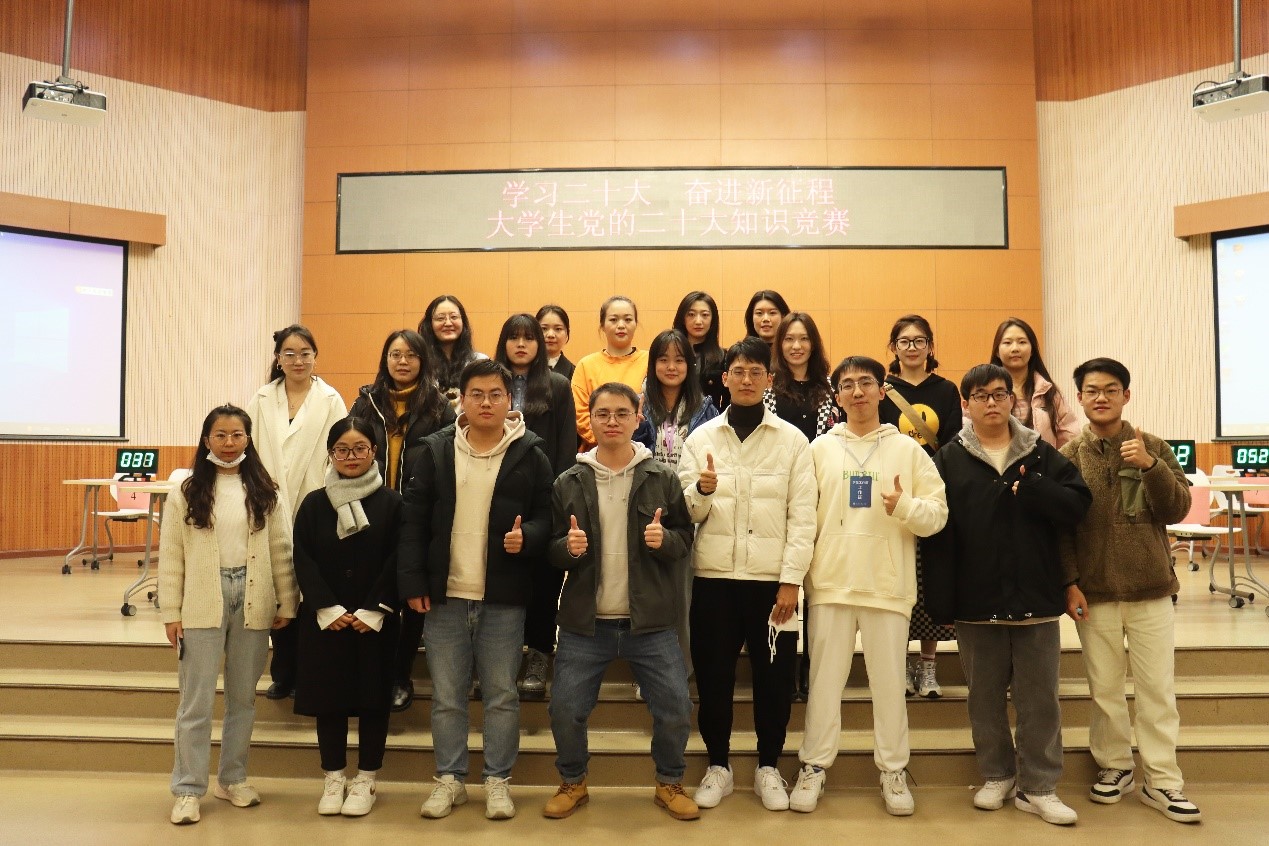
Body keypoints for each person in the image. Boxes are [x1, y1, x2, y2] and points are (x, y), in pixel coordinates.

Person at [922, 364, 1091, 826]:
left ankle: (1039, 786)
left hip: (1036, 597)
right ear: (966, 404)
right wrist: (942, 603)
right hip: (976, 601)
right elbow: (938, 536)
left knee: (1040, 700)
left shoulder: (1040, 453)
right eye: (981, 396)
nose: (992, 403)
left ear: (1013, 401)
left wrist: (1036, 489)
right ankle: (997, 775)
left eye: (1000, 394)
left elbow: (1078, 505)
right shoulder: (948, 459)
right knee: (984, 698)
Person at [789, 356, 947, 817]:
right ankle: (814, 766)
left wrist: (905, 507)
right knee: (823, 685)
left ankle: (893, 771)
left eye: (866, 383)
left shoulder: (909, 451)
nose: (857, 392)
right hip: (830, 585)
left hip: (887, 587)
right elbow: (801, 517)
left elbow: (937, 515)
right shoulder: (818, 449)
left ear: (882, 390)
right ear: (837, 396)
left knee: (890, 686)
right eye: (847, 385)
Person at [398, 359, 554, 821]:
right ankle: (450, 779)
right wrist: (413, 582)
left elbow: (547, 516)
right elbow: (413, 523)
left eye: (496, 395)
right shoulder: (435, 451)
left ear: (510, 400)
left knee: (502, 694)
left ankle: (497, 781)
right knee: (447, 695)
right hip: (445, 594)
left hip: (503, 596)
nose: (486, 403)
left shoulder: (531, 453)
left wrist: (528, 537)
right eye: (477, 395)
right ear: (461, 400)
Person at [542, 383, 698, 822]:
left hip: (650, 622)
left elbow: (685, 539)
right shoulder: (568, 481)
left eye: (621, 413)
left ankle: (669, 782)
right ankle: (573, 782)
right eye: (603, 414)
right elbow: (551, 548)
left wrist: (665, 540)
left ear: (637, 418)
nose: (612, 421)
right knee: (565, 709)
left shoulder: (661, 478)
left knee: (675, 707)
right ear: (589, 420)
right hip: (585, 623)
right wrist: (567, 548)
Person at [677, 336, 816, 813]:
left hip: (772, 584)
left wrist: (791, 580)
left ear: (769, 380)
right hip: (713, 580)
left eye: (757, 372)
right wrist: (701, 490)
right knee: (714, 678)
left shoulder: (793, 442)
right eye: (738, 371)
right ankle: (718, 765)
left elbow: (803, 518)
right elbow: (687, 514)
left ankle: (768, 767)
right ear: (725, 378)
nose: (747, 379)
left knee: (774, 680)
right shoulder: (701, 440)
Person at [1060, 358, 1201, 823]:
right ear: (1079, 398)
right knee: (1104, 689)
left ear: (1126, 395)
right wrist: (1070, 583)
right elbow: (1060, 530)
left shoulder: (1152, 446)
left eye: (1111, 389)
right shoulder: (1068, 456)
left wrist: (1150, 466)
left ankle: (1162, 779)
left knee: (1157, 689)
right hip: (1095, 592)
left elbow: (1178, 508)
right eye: (1092, 390)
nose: (1101, 397)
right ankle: (1115, 765)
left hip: (1151, 589)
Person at [160, 405, 299, 825]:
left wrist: (287, 601)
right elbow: (172, 554)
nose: (228, 442)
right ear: (206, 440)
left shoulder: (265, 489)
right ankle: (188, 789)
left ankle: (232, 778)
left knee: (243, 699)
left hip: (253, 597)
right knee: (196, 702)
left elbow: (281, 549)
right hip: (203, 599)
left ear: (247, 439)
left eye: (237, 435)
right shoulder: (185, 491)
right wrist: (171, 611)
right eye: (220, 435)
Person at [292, 417, 402, 818]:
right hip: (327, 621)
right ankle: (334, 776)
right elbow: (302, 558)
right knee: (330, 702)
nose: (350, 457)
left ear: (374, 452)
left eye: (359, 449)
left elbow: (399, 558)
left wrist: (375, 609)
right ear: (331, 454)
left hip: (376, 621)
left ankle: (366, 779)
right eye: (342, 449)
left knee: (374, 701)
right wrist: (328, 607)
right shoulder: (314, 503)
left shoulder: (393, 503)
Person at [349, 329, 455, 713]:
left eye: (411, 354)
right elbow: (347, 451)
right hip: (371, 512)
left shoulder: (440, 408)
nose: (403, 361)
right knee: (371, 594)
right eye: (395, 354)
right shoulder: (365, 403)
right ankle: (368, 674)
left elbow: (447, 463)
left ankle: (399, 675)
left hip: (418, 515)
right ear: (385, 359)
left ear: (423, 361)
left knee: (410, 599)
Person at [246, 325, 348, 701]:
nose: (298, 360)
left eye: (305, 353)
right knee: (278, 589)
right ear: (278, 359)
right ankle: (283, 673)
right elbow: (249, 449)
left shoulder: (330, 399)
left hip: (315, 505)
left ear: (315, 357)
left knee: (310, 589)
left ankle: (310, 674)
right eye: (289, 354)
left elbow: (340, 451)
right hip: (269, 503)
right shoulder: (262, 398)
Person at [878, 314, 962, 700]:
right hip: (891, 492)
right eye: (904, 341)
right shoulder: (883, 390)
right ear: (893, 347)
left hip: (931, 491)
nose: (912, 348)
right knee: (896, 578)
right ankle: (899, 663)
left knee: (931, 580)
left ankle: (928, 666)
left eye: (919, 341)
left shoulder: (945, 390)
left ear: (930, 346)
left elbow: (953, 440)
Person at [495, 313, 578, 700]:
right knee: (504, 579)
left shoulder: (557, 385)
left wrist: (557, 495)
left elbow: (566, 444)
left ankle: (540, 653)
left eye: (529, 338)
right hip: (498, 493)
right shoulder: (491, 382)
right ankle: (502, 656)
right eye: (513, 337)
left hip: (544, 494)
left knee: (544, 580)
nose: (521, 344)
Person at [763, 311, 839, 698]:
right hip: (781, 497)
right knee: (785, 584)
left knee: (817, 589)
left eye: (803, 338)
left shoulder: (830, 390)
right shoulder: (769, 391)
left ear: (814, 344)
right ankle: (783, 668)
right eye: (789, 339)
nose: (796, 346)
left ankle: (812, 668)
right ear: (779, 345)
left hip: (823, 496)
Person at [570, 295, 649, 449]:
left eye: (628, 319)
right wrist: (611, 440)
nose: (621, 325)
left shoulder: (650, 361)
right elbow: (580, 415)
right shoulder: (586, 365)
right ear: (602, 325)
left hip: (642, 449)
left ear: (635, 324)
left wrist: (631, 443)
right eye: (613, 320)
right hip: (596, 453)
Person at [633, 329, 719, 466]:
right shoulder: (638, 407)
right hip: (650, 480)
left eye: (679, 360)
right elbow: (627, 457)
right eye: (663, 360)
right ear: (653, 364)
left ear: (689, 365)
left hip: (690, 480)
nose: (671, 367)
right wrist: (637, 429)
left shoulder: (706, 410)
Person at [990, 317, 1079, 448]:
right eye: (1007, 343)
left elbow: (1070, 437)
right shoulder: (984, 391)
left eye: (1022, 342)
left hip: (1042, 461)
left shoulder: (1048, 392)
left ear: (1032, 350)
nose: (1015, 348)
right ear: (997, 351)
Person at [419, 294, 487, 401]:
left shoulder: (480, 362)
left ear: (463, 322)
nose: (448, 323)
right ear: (429, 325)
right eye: (440, 318)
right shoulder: (420, 363)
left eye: (454, 317)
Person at [673, 291, 728, 411]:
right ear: (682, 318)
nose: (698, 321)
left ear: (713, 320)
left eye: (705, 315)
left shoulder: (723, 357)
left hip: (711, 419)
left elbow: (728, 402)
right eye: (691, 314)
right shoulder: (670, 354)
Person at [537, 304, 575, 381]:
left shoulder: (575, 373)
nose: (550, 335)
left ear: (567, 334)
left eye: (558, 329)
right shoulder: (523, 369)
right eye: (544, 328)